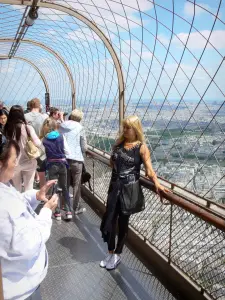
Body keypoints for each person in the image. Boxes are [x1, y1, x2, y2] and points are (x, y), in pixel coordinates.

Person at [100, 115, 170, 270]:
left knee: (123, 222)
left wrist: (157, 184)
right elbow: (113, 163)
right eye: (124, 127)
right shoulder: (119, 144)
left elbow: (149, 169)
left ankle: (116, 254)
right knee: (110, 219)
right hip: (115, 187)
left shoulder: (141, 147)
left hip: (129, 190)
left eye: (128, 127)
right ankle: (111, 252)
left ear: (135, 128)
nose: (125, 130)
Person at [0, 134, 58, 299]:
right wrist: (46, 212)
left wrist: (36, 196)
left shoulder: (3, 186)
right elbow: (27, 244)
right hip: (21, 290)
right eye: (13, 160)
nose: (16, 164)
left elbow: (16, 204)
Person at [4, 105, 42, 192]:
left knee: (16, 190)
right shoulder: (27, 127)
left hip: (13, 163)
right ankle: (27, 205)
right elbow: (38, 143)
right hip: (29, 161)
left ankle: (16, 204)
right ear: (22, 114)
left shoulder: (7, 129)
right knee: (29, 189)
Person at [41, 118, 72, 221]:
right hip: (62, 164)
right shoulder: (61, 137)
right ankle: (68, 212)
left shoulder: (44, 139)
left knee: (54, 189)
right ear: (55, 126)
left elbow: (42, 153)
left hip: (51, 165)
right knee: (64, 188)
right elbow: (68, 152)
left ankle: (57, 213)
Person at [59, 109, 87, 215]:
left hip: (63, 158)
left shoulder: (62, 125)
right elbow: (84, 146)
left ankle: (64, 205)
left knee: (64, 183)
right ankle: (76, 207)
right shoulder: (80, 128)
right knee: (76, 184)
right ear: (80, 118)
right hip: (76, 159)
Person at [25, 98, 48, 188]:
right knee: (42, 171)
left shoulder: (25, 117)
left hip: (29, 147)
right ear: (39, 106)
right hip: (42, 147)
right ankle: (44, 191)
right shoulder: (44, 117)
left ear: (30, 106)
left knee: (30, 172)